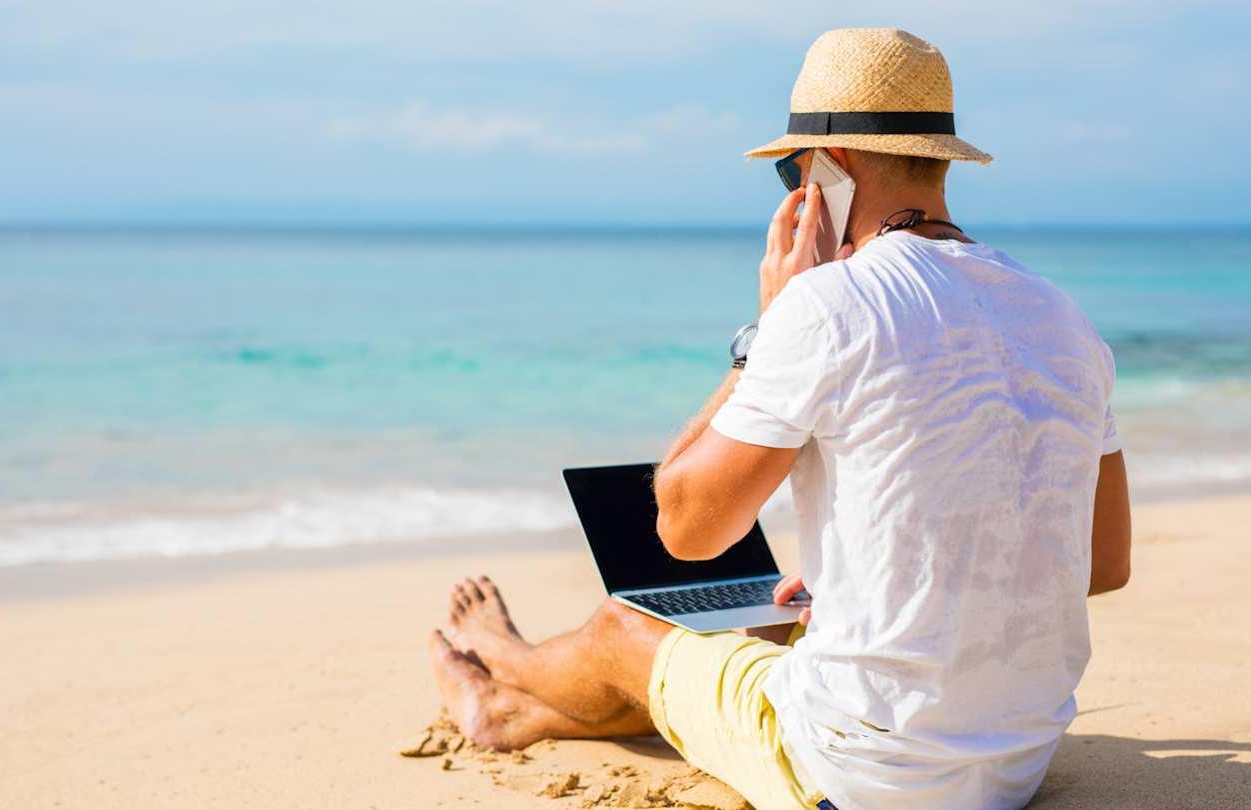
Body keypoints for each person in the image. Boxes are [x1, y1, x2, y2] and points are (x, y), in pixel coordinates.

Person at [429, 28, 1131, 810]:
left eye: (789, 173)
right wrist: (876, 569)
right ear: (937, 160)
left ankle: (501, 668)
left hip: (863, 776)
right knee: (775, 619)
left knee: (623, 627)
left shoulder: (831, 305)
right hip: (1018, 761)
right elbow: (1102, 565)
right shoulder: (1063, 318)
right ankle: (530, 712)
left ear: (823, 168)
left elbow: (684, 528)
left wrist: (763, 334)